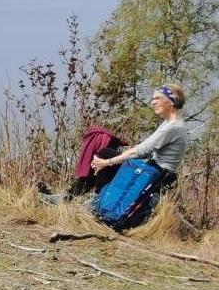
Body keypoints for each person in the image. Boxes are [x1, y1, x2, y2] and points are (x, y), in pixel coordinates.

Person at [43, 84, 192, 202]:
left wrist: (107, 162)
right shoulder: (171, 124)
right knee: (106, 153)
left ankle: (96, 202)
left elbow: (139, 151)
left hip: (152, 174)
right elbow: (144, 149)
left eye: (158, 98)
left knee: (104, 154)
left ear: (171, 101)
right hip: (152, 170)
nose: (153, 102)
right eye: (153, 98)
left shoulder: (172, 127)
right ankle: (74, 197)